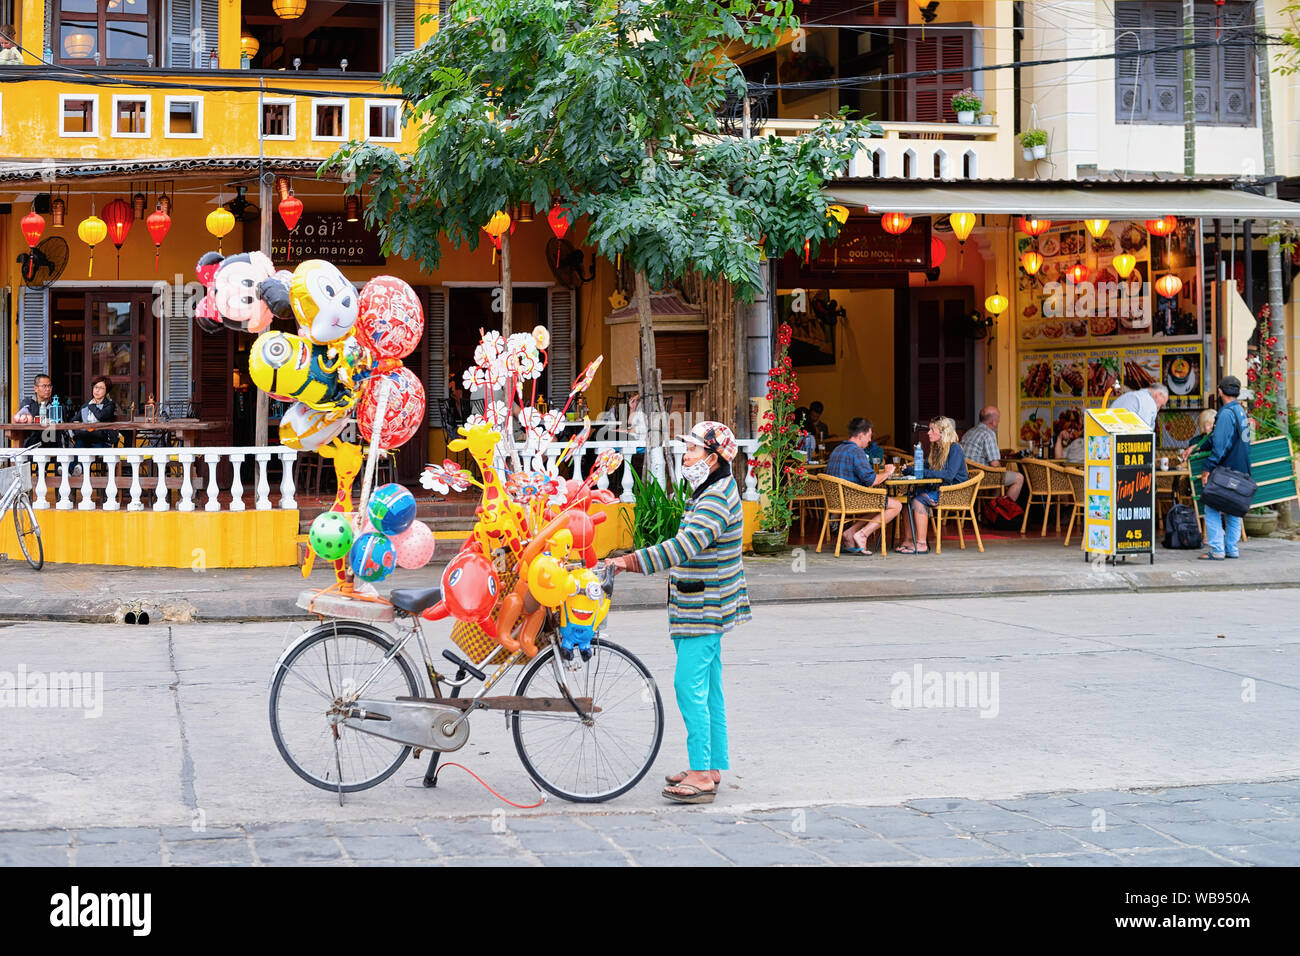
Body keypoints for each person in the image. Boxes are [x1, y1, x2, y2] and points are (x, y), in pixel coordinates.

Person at [607, 421, 749, 804]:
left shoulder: (717, 498)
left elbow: (681, 548)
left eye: (693, 451)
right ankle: (709, 764)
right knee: (709, 690)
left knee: (689, 688)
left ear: (715, 458)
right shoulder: (709, 490)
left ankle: (701, 774)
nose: (685, 457)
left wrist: (627, 562)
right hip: (701, 604)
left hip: (705, 609)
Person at [824, 417, 902, 555]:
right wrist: (887, 472)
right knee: (896, 505)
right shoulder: (856, 452)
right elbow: (872, 481)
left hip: (836, 500)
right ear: (861, 435)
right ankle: (863, 534)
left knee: (878, 504)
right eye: (869, 436)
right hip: (851, 499)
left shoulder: (837, 449)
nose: (870, 440)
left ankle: (850, 533)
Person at [897, 416, 968, 554]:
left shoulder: (955, 449)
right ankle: (908, 540)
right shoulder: (935, 449)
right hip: (938, 489)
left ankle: (922, 544)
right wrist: (909, 470)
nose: (928, 433)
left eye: (931, 430)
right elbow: (925, 469)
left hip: (953, 491)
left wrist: (925, 473)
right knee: (907, 499)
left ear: (943, 432)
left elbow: (949, 475)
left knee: (919, 500)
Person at [1200, 376, 1251, 561]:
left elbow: (1219, 446)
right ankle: (1231, 548)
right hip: (1242, 469)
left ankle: (1217, 550)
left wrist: (1207, 468)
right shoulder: (1240, 411)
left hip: (1226, 470)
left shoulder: (1225, 413)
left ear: (1220, 391)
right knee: (1233, 508)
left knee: (1212, 506)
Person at [962, 406, 1024, 501]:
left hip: (967, 476)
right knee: (1019, 478)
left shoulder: (969, 432)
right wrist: (1003, 470)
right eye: (998, 418)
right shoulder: (988, 433)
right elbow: (994, 464)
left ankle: (992, 508)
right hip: (982, 477)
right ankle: (1003, 511)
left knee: (999, 476)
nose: (998, 421)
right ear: (993, 421)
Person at [13, 374, 65, 449]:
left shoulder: (54, 407)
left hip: (50, 446)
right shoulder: (28, 403)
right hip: (31, 445)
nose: (48, 389)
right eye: (44, 386)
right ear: (35, 388)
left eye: (49, 386)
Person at [73, 375, 118, 449]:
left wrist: (92, 406)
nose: (97, 390)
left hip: (101, 439)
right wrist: (77, 424)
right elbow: (74, 420)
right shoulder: (85, 406)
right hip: (85, 437)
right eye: (96, 387)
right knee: (78, 447)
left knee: (96, 449)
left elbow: (100, 416)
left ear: (107, 390)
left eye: (101, 388)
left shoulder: (109, 405)